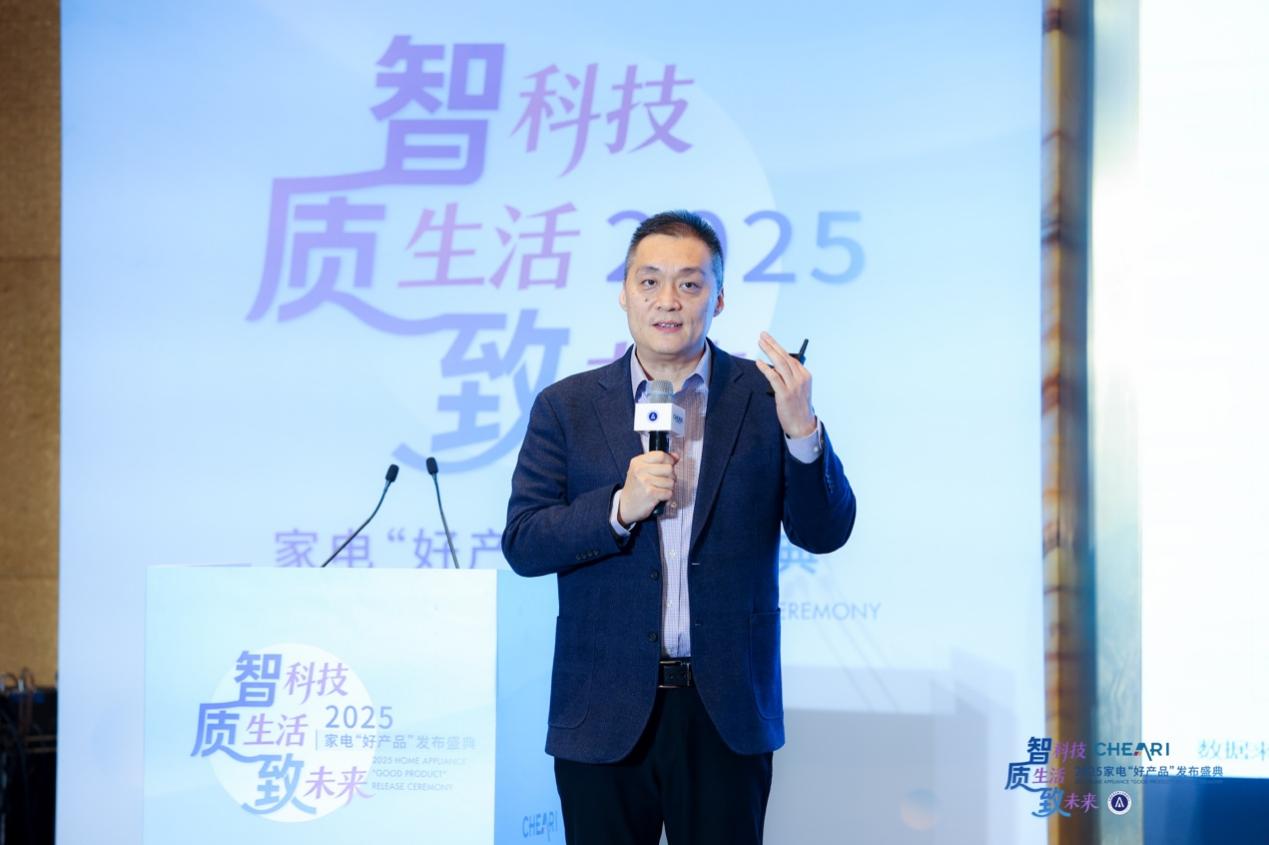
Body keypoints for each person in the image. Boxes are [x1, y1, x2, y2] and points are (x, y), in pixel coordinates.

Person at [501, 210, 856, 844]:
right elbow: (524, 542)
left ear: (718, 298)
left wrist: (803, 430)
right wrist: (618, 508)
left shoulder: (765, 398)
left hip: (725, 711)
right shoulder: (567, 406)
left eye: (690, 284)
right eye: (650, 281)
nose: (668, 300)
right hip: (602, 711)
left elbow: (824, 532)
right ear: (624, 292)